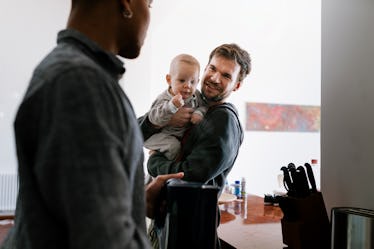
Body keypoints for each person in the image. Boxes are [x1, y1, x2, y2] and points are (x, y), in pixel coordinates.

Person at [1, 1, 184, 249]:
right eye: (149, 4)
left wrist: (136, 199)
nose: (149, 16)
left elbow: (75, 202)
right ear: (127, 3)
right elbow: (104, 238)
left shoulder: (77, 74)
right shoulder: (79, 82)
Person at [140, 43, 251, 248]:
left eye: (226, 76)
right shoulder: (190, 101)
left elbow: (192, 175)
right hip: (168, 221)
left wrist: (153, 162)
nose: (215, 78)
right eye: (213, 69)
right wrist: (165, 120)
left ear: (236, 85)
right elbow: (136, 131)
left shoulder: (223, 119)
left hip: (189, 230)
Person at [144, 53, 207, 160]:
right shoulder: (164, 98)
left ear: (198, 82)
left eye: (192, 82)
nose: (188, 85)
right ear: (169, 80)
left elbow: (204, 106)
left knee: (186, 147)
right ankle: (163, 170)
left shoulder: (196, 95)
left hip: (180, 136)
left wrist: (199, 112)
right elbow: (153, 118)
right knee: (174, 146)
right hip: (162, 136)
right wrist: (171, 107)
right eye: (182, 80)